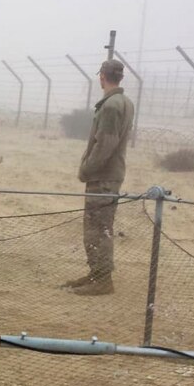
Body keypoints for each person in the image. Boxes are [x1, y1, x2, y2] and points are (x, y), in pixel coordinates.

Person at [63, 59, 134, 296]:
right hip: (108, 176)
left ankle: (103, 280)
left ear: (102, 76)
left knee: (98, 229)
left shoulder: (112, 105)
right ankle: (96, 273)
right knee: (97, 227)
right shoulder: (123, 102)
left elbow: (105, 145)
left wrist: (86, 170)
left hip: (103, 177)